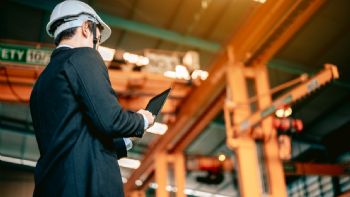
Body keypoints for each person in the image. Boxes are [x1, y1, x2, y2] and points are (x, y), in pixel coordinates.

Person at [29, 0, 154, 196]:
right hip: (86, 187)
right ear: (87, 28)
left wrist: (124, 141)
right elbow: (111, 120)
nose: (97, 44)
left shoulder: (42, 82)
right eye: (98, 37)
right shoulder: (83, 57)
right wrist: (142, 120)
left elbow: (73, 134)